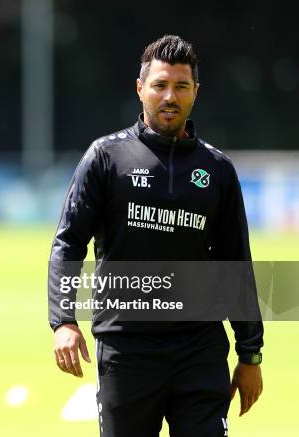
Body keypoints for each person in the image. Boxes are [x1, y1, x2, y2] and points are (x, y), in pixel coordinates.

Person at [48, 35, 263, 436]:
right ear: (140, 89)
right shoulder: (106, 158)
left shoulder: (217, 170)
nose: (170, 97)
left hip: (199, 349)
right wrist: (63, 321)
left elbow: (236, 262)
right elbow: (68, 243)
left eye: (181, 87)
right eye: (160, 85)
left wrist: (250, 353)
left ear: (195, 93)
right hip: (126, 348)